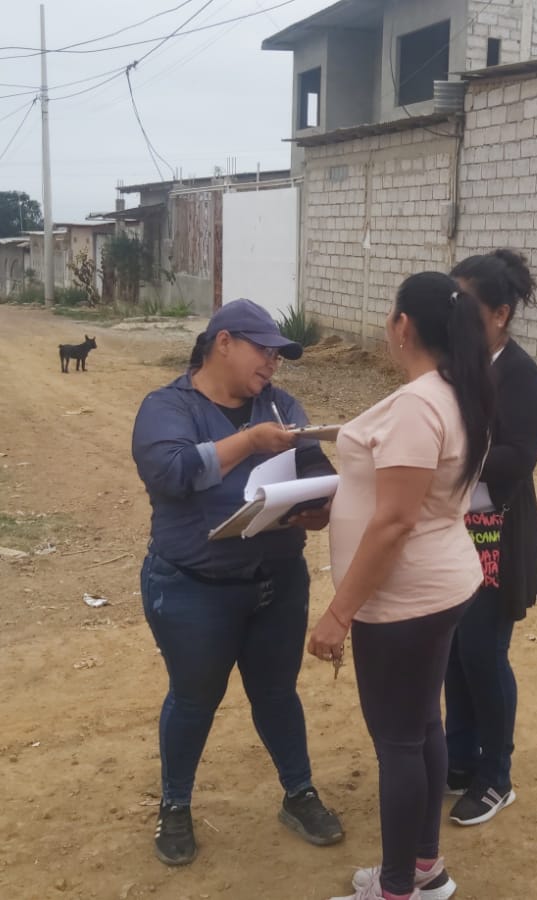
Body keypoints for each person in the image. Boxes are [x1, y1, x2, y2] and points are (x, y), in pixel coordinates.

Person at [130, 299, 344, 867]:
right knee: (194, 697)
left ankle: (299, 793)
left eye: (278, 355)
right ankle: (175, 805)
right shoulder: (167, 407)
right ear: (222, 343)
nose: (272, 363)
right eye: (263, 351)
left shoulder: (279, 404)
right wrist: (249, 443)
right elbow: (172, 473)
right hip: (194, 588)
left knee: (277, 693)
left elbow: (315, 468)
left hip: (277, 583)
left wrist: (319, 508)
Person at [307, 272, 495, 900]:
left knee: (398, 743)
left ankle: (395, 890)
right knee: (421, 729)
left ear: (403, 326)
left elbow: (394, 522)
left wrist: (339, 613)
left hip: (403, 599)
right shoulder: (454, 391)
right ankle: (424, 870)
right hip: (438, 585)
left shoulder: (420, 404)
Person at [443, 250, 537, 827]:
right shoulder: (463, 365)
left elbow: (518, 457)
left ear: (500, 314)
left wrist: (451, 456)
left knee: (484, 652)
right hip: (455, 528)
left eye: (466, 307)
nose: (455, 317)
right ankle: (459, 758)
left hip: (496, 532)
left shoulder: (519, 374)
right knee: (454, 653)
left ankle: (496, 775)